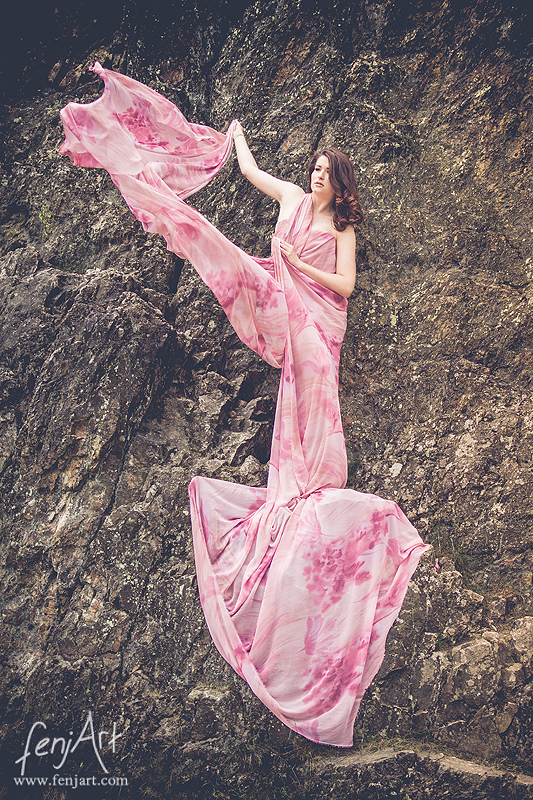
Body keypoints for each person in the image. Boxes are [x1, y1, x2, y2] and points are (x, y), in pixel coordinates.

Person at [60, 63, 429, 748]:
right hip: (284, 314)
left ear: (338, 182)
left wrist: (294, 260)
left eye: (323, 172)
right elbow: (255, 173)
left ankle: (313, 491)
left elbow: (343, 285)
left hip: (317, 333)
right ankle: (141, 184)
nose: (314, 177)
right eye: (313, 170)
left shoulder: (340, 226)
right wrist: (233, 139)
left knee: (312, 423)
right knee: (220, 248)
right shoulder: (289, 195)